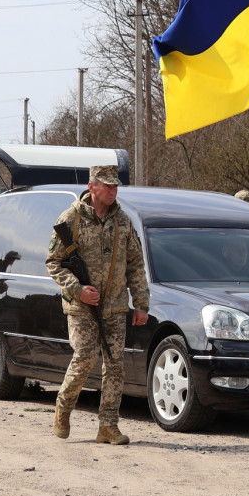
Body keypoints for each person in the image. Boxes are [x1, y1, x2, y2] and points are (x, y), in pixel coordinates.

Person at [45, 165, 150, 445]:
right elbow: (53, 264)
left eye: (116, 185)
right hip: (81, 307)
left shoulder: (123, 222)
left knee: (115, 365)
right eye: (108, 185)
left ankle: (108, 426)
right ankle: (64, 408)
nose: (113, 190)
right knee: (85, 357)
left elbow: (136, 265)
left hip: (115, 305)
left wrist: (141, 304)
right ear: (92, 187)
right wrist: (78, 290)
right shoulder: (71, 219)